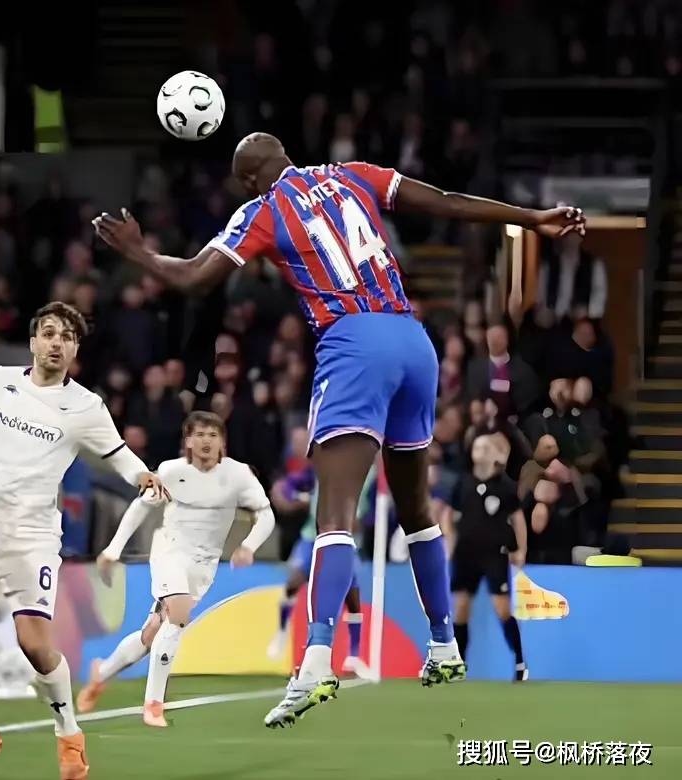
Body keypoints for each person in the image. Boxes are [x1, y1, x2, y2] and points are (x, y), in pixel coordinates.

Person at [93, 131, 585, 728]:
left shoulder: (263, 209)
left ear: (248, 181)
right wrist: (532, 218)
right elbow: (449, 201)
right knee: (416, 509)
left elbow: (196, 276)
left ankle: (316, 662)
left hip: (353, 343)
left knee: (335, 516)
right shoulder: (354, 174)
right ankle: (443, 644)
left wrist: (139, 252)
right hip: (414, 342)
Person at [0, 301, 165, 780]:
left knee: (34, 645)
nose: (56, 343)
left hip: (32, 539)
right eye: (49, 333)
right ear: (32, 341)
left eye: (67, 337)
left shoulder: (86, 407)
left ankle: (69, 735)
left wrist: (142, 476)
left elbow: (117, 453)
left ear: (75, 350)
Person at [77, 412, 275, 726]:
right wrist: (113, 549)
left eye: (213, 435)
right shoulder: (171, 471)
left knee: (152, 633)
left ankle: (101, 673)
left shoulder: (238, 475)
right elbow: (140, 507)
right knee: (179, 615)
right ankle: (153, 705)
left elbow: (266, 515)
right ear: (188, 441)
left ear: (222, 442)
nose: (206, 441)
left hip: (204, 565)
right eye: (200, 434)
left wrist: (248, 546)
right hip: (169, 551)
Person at [265, 466, 376, 680]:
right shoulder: (321, 465)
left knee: (352, 598)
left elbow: (372, 510)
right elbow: (289, 486)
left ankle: (353, 657)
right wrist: (295, 497)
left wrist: (363, 522)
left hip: (346, 539)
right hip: (312, 537)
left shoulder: (368, 471)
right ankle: (282, 631)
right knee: (293, 583)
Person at [450, 434, 529, 682]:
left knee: (502, 608)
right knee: (460, 608)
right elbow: (449, 514)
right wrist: (448, 542)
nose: (481, 451)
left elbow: (518, 519)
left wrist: (521, 549)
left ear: (497, 455)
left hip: (495, 554)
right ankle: (458, 663)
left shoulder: (506, 486)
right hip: (465, 554)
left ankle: (519, 661)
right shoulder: (463, 482)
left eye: (486, 448)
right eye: (477, 447)